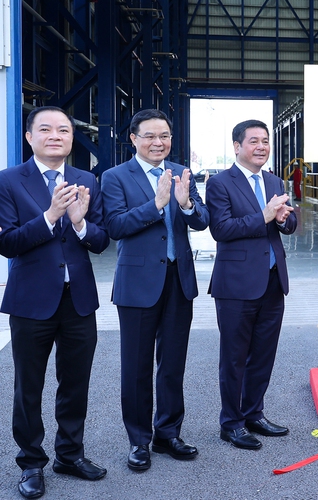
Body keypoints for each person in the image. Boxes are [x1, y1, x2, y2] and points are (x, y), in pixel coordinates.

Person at [0, 106, 110, 498]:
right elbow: (7, 242)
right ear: (30, 137)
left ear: (71, 138)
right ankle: (31, 463)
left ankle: (70, 453)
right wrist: (50, 216)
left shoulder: (86, 180)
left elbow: (101, 241)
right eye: (45, 129)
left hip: (77, 299)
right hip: (31, 301)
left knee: (75, 383)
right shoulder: (9, 180)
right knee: (28, 387)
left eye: (63, 130)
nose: (55, 136)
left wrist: (79, 222)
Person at [101, 109, 210, 471]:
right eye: (149, 136)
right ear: (133, 139)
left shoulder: (180, 172)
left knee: (173, 364)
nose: (158, 142)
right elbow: (115, 226)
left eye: (164, 136)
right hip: (137, 284)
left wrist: (186, 203)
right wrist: (157, 205)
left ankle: (168, 433)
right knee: (136, 366)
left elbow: (202, 220)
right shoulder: (115, 177)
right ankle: (138, 440)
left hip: (179, 280)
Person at [206, 119, 297, 450]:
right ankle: (231, 423)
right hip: (237, 285)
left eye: (265, 141)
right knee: (234, 357)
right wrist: (265, 216)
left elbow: (289, 221)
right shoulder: (220, 183)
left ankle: (253, 413)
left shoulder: (273, 180)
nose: (261, 147)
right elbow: (221, 229)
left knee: (262, 355)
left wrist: (284, 219)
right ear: (237, 147)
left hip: (272, 281)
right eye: (254, 141)